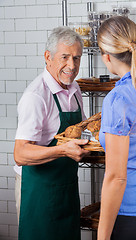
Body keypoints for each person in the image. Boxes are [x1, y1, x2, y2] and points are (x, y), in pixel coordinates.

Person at [14, 26, 90, 240]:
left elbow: (79, 130)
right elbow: (20, 154)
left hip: (66, 187)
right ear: (48, 57)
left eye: (77, 58)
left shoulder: (74, 89)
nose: (72, 66)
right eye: (64, 57)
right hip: (39, 191)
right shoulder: (36, 96)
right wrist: (63, 151)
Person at [97, 16, 136, 240]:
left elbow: (116, 178)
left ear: (106, 56)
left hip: (134, 217)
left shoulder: (118, 99)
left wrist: (102, 236)